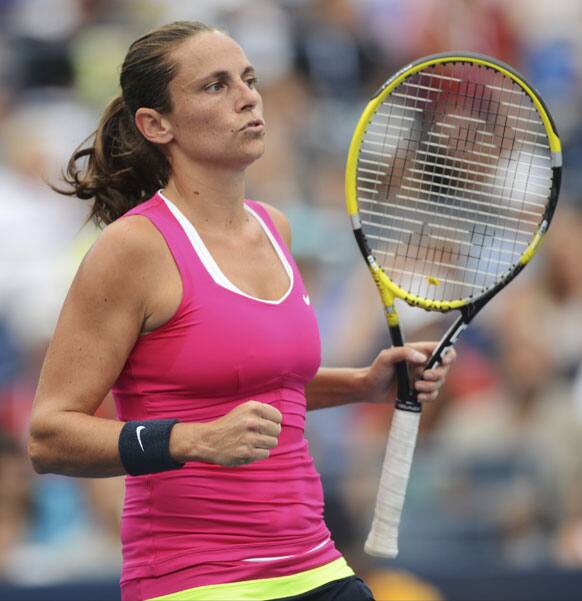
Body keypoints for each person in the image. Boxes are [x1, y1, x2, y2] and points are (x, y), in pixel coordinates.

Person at [27, 21, 455, 601]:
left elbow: (260, 391)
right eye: (215, 86)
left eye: (249, 79)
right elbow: (50, 437)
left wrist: (362, 383)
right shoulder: (132, 249)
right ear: (157, 124)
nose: (248, 96)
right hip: (194, 582)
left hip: (317, 566)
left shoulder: (275, 228)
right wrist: (189, 441)